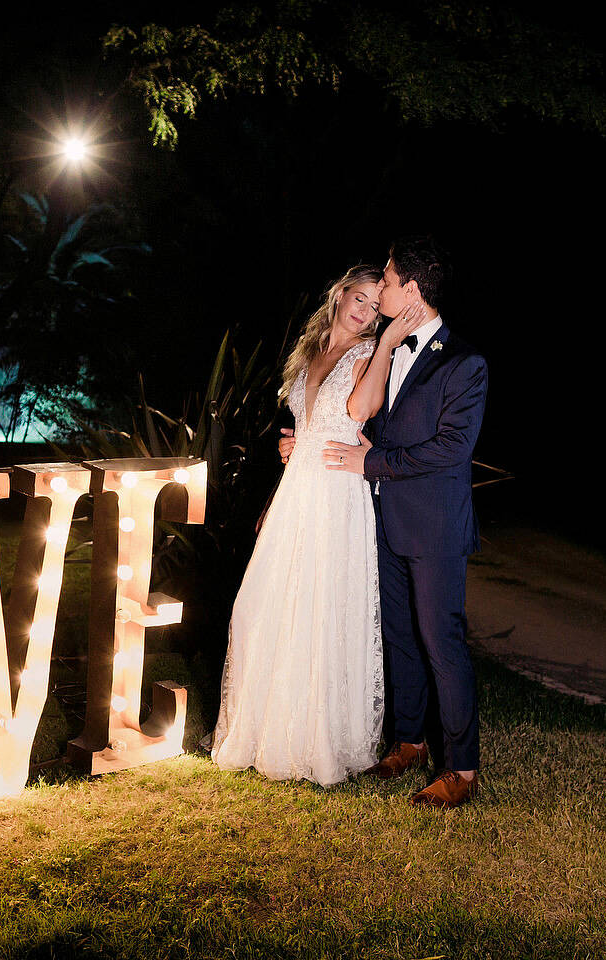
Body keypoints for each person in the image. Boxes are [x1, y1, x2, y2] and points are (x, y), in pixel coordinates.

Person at [211, 264, 424, 786]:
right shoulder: (308, 354)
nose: (366, 310)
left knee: (322, 609)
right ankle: (268, 730)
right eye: (360, 298)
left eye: (378, 306)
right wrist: (281, 476)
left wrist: (387, 342)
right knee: (264, 604)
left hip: (336, 495)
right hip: (297, 493)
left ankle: (321, 740)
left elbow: (361, 409)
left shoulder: (366, 355)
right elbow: (302, 429)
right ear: (340, 294)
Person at [317, 236, 488, 808]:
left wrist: (375, 460)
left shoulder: (466, 363)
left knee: (442, 642)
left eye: (387, 280)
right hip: (385, 520)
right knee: (401, 639)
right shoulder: (383, 349)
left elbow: (451, 449)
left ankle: (461, 769)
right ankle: (410, 740)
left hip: (435, 528)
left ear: (411, 290)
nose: (381, 288)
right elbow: (378, 426)